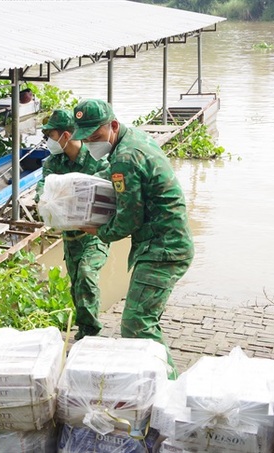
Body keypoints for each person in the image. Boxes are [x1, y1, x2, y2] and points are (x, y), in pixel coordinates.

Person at [72, 99, 194, 379]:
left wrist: (97, 231)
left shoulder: (126, 158)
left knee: (137, 324)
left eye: (96, 136)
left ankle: (170, 386)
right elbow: (117, 180)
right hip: (163, 242)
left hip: (164, 248)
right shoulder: (133, 139)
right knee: (144, 320)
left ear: (113, 126)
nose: (91, 142)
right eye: (86, 137)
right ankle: (157, 382)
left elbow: (128, 219)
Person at [36, 109, 110, 340]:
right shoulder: (53, 163)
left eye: (51, 134)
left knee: (87, 275)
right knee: (77, 284)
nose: (48, 140)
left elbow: (107, 190)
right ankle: (83, 331)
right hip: (70, 237)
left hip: (93, 235)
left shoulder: (95, 159)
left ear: (66, 135)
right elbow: (43, 188)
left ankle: (91, 332)